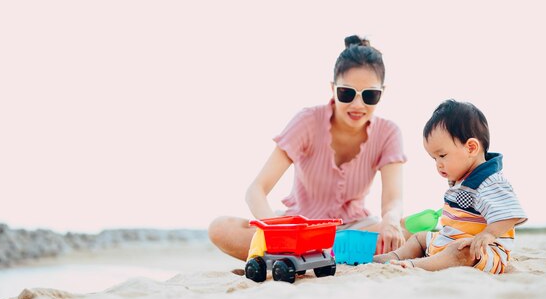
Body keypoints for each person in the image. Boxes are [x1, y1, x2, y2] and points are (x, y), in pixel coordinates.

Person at [209, 35, 409, 261]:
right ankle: (321, 252)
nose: (357, 105)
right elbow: (256, 190)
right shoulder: (307, 121)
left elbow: (393, 200)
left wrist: (390, 220)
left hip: (356, 228)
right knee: (220, 228)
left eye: (370, 95)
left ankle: (315, 253)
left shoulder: (389, 133)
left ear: (383, 92)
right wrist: (277, 230)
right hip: (298, 231)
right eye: (347, 93)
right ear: (332, 88)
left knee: (410, 232)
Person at [374, 99, 527, 274]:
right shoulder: (462, 179)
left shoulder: (490, 181)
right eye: (434, 159)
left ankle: (415, 265)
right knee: (420, 237)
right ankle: (395, 256)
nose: (438, 164)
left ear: (471, 147)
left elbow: (510, 214)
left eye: (442, 155)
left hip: (482, 251)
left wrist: (488, 235)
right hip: (451, 239)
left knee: (461, 252)